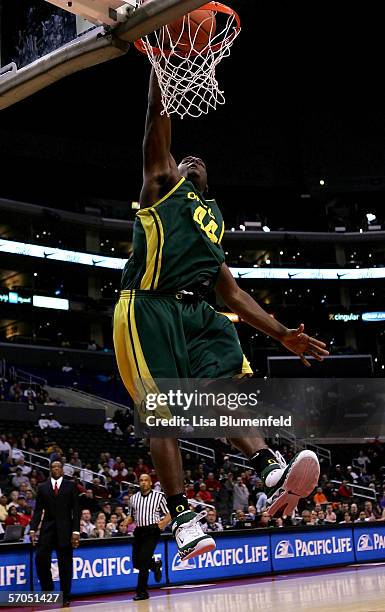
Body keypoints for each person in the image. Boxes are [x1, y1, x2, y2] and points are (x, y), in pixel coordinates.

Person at [113, 67, 328, 561]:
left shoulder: (210, 223)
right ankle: (184, 518)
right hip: (146, 306)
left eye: (198, 161)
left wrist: (281, 335)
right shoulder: (160, 186)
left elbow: (231, 292)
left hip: (192, 312)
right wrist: (162, 56)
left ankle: (269, 467)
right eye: (183, 158)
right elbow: (154, 119)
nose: (191, 158)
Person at [29, 461, 80, 607]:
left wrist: (76, 531)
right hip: (47, 529)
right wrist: (33, 528)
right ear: (50, 470)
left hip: (66, 529)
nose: (56, 469)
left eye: (59, 467)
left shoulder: (70, 485)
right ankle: (48, 588)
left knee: (65, 565)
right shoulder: (42, 487)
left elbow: (76, 510)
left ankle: (65, 596)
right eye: (53, 467)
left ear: (62, 470)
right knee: (40, 558)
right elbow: (38, 510)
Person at [127, 474, 170, 601]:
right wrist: (125, 522)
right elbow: (131, 516)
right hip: (139, 530)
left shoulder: (158, 497)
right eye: (141, 480)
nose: (143, 483)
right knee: (136, 562)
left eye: (146, 480)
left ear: (150, 483)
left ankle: (142, 592)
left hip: (152, 530)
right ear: (138, 483)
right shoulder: (133, 498)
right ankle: (155, 565)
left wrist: (163, 523)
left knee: (144, 561)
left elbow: (169, 512)